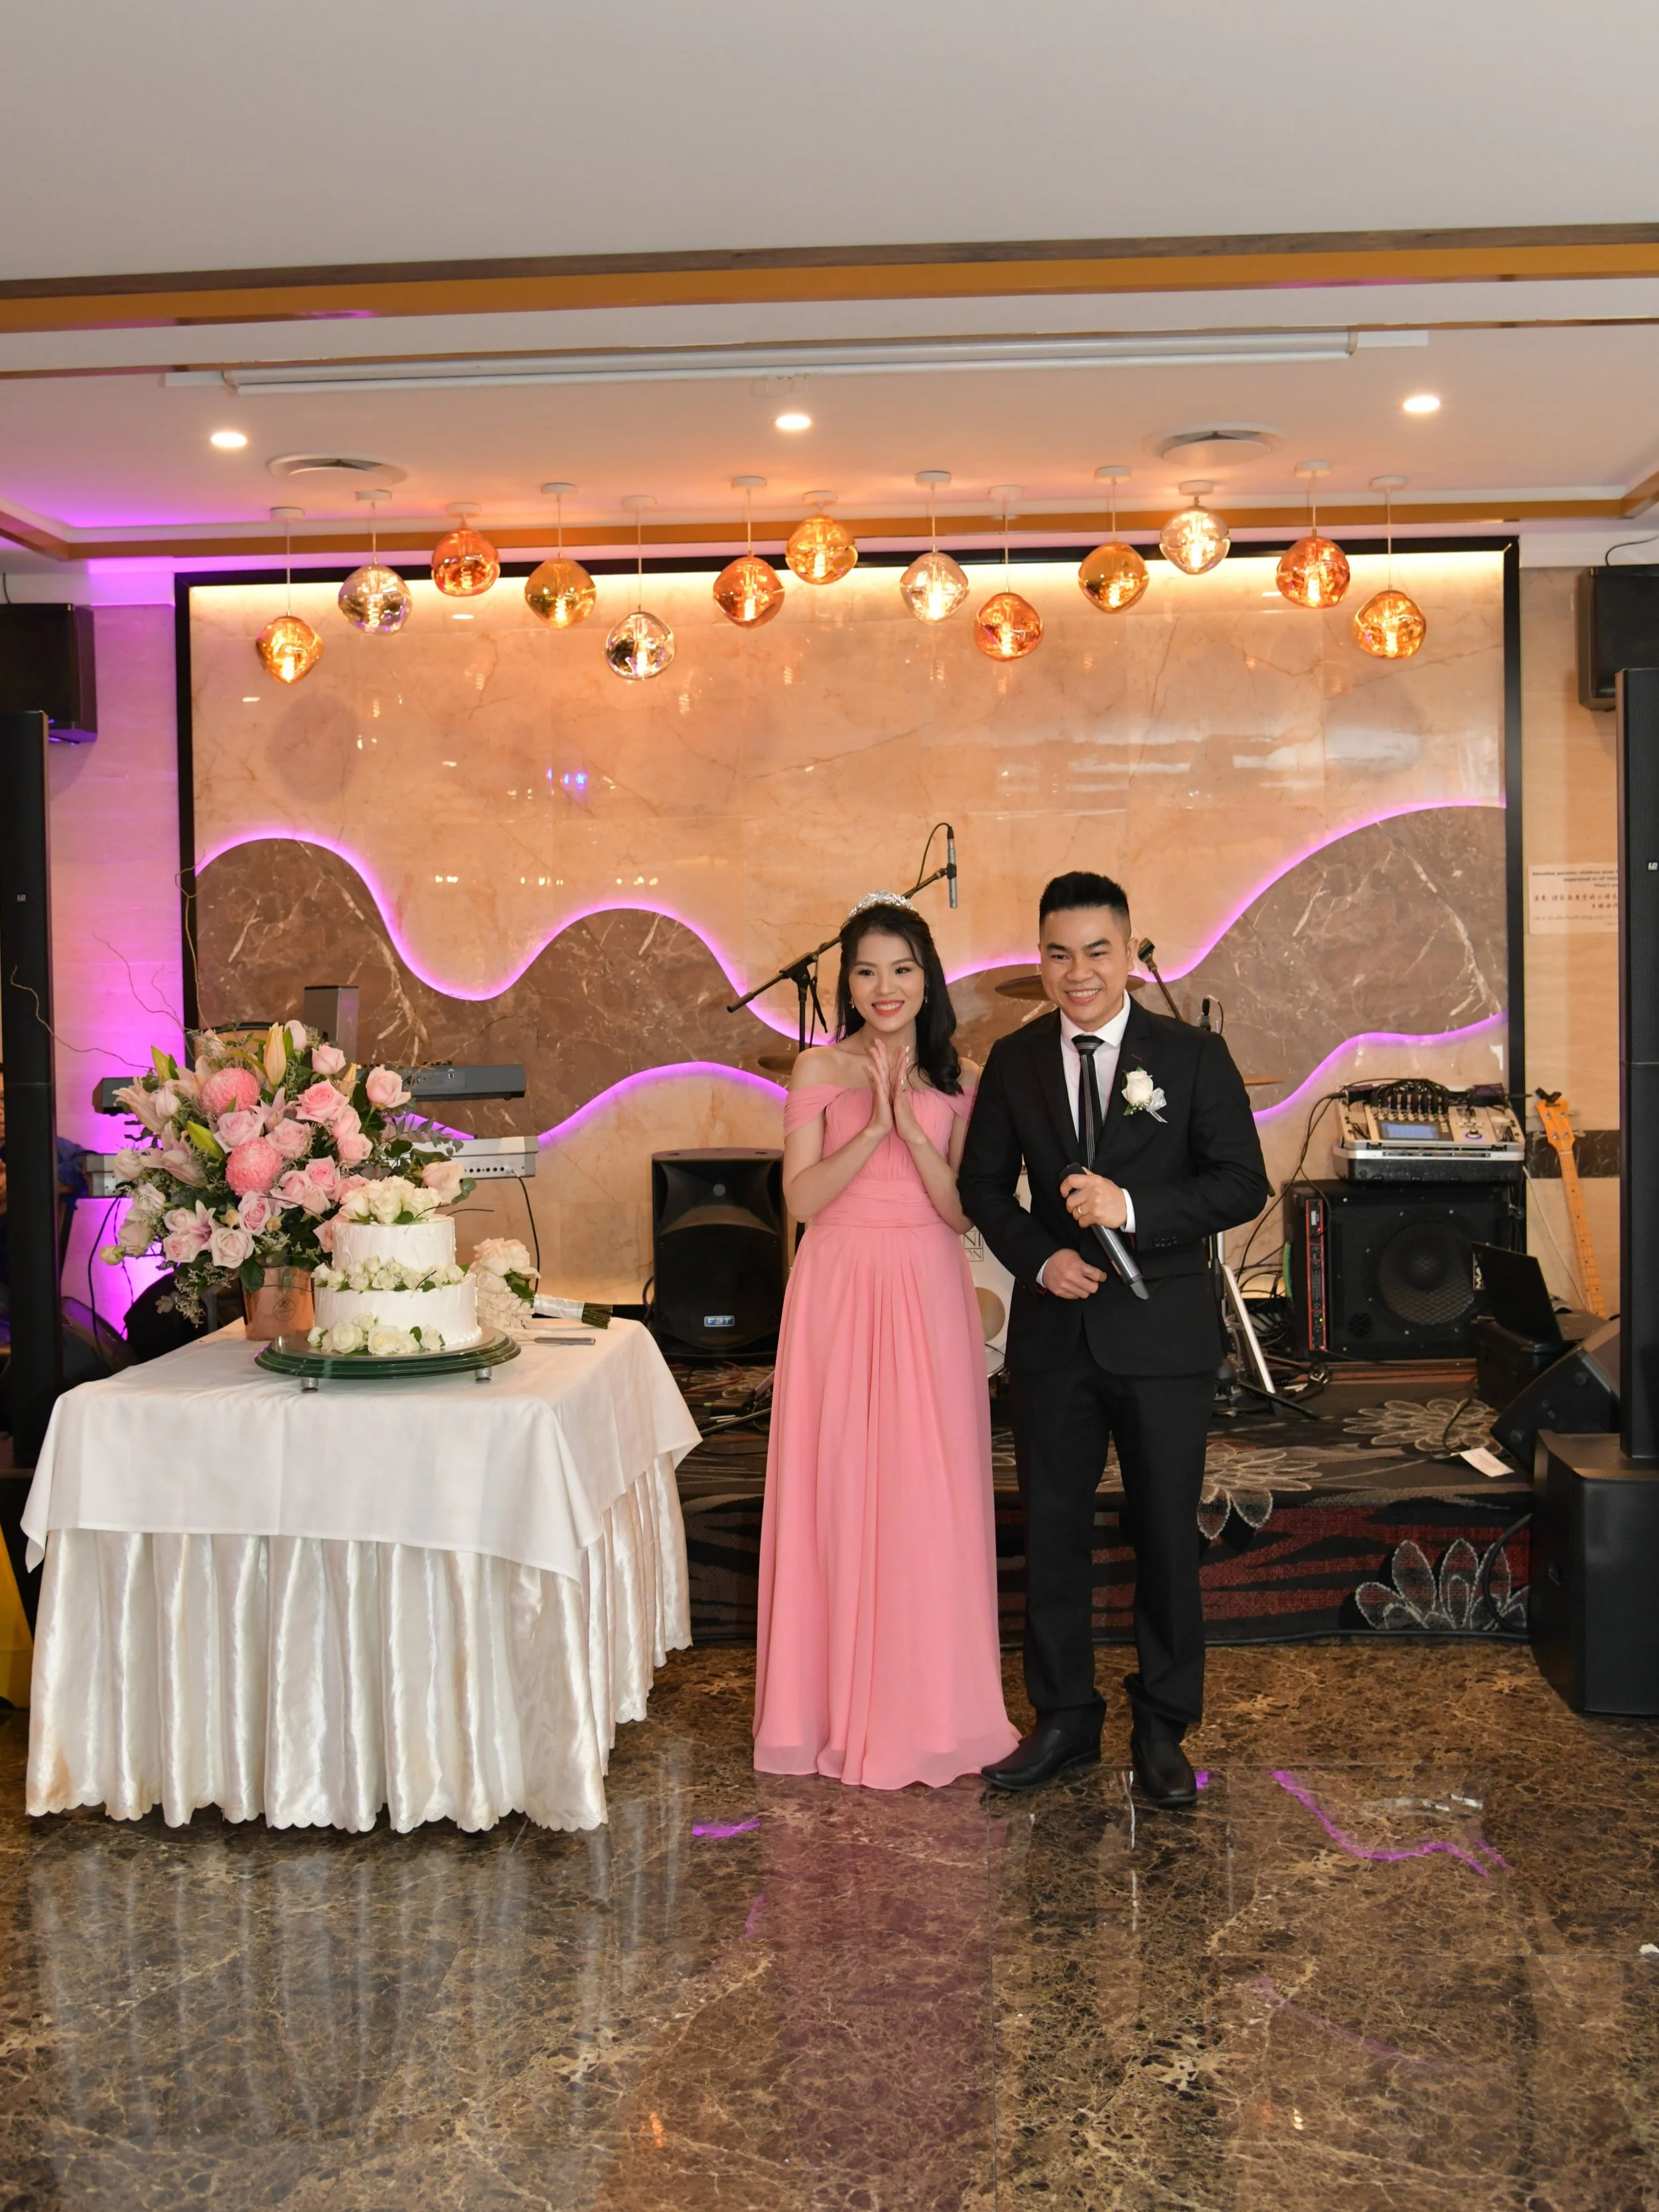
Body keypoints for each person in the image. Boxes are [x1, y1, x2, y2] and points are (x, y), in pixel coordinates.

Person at [957, 871, 1269, 1806]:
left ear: (1132, 954)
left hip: (1163, 1338)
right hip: (1057, 1335)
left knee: (1166, 1533)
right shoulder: (1013, 1061)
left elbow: (1240, 1184)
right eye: (1058, 953)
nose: (1078, 972)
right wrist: (1037, 1260)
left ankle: (1165, 1725)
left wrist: (1132, 1206)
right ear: (1040, 962)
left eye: (1098, 950)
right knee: (1051, 1534)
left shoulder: (1192, 1054)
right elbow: (980, 1187)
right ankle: (1063, 1720)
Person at [753, 894, 1018, 1789]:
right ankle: (822, 1710)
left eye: (902, 968)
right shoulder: (816, 1066)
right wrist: (871, 1127)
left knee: (925, 1484)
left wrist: (915, 1127)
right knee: (835, 1480)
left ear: (928, 976)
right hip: (836, 1283)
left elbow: (957, 1211)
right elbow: (801, 1200)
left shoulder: (965, 1078)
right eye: (866, 970)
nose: (885, 986)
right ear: (847, 982)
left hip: (927, 1284)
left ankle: (929, 1705)